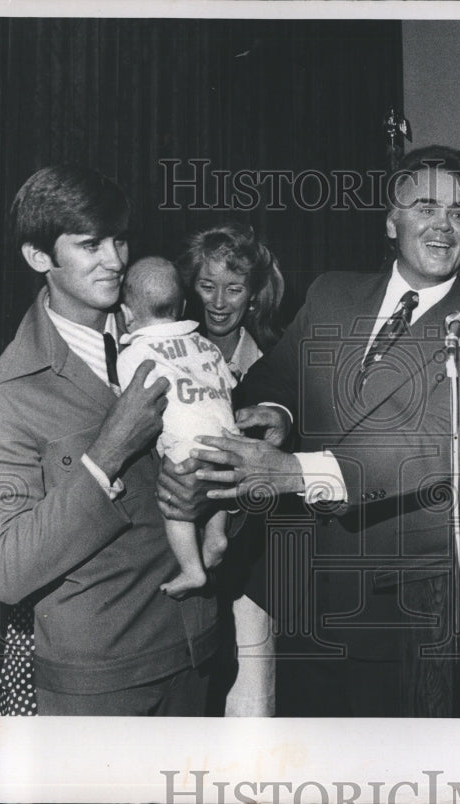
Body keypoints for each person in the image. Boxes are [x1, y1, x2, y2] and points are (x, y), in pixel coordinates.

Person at [161, 145, 460, 716]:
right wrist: (279, 412)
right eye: (425, 207)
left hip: (392, 610)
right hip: (298, 586)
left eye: (459, 213)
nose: (443, 225)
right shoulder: (332, 292)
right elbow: (276, 376)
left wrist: (292, 472)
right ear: (391, 221)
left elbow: (427, 450)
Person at [0, 165, 226, 715]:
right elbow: (3, 571)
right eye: (90, 245)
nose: (115, 260)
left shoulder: (177, 337)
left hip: (196, 654)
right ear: (39, 257)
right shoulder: (3, 394)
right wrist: (108, 451)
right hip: (100, 685)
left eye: (119, 239)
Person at [174, 221, 285, 717]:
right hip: (178, 559)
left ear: (254, 294)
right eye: (207, 285)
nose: (218, 302)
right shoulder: (168, 352)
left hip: (251, 571)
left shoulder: (275, 362)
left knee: (248, 705)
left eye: (234, 289)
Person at [116, 256, 237, 599]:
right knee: (217, 486)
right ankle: (216, 536)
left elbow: (133, 405)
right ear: (183, 306)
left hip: (186, 450)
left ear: (126, 314)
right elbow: (228, 384)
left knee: (175, 504)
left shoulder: (134, 354)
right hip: (228, 441)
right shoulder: (206, 344)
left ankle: (192, 570)